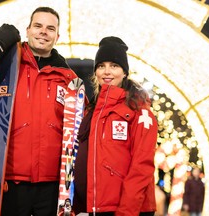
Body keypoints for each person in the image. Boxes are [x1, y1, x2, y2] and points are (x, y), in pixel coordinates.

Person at [0, 6, 78, 216]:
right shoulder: (6, 70)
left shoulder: (68, 80)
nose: (43, 32)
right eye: (38, 26)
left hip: (51, 187)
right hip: (10, 183)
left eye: (50, 28)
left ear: (57, 36)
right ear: (28, 29)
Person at [73, 36, 158, 216]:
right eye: (101, 66)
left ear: (125, 72)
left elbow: (142, 166)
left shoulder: (140, 111)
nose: (107, 71)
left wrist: (127, 211)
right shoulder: (92, 111)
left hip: (126, 209)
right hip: (97, 207)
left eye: (114, 65)